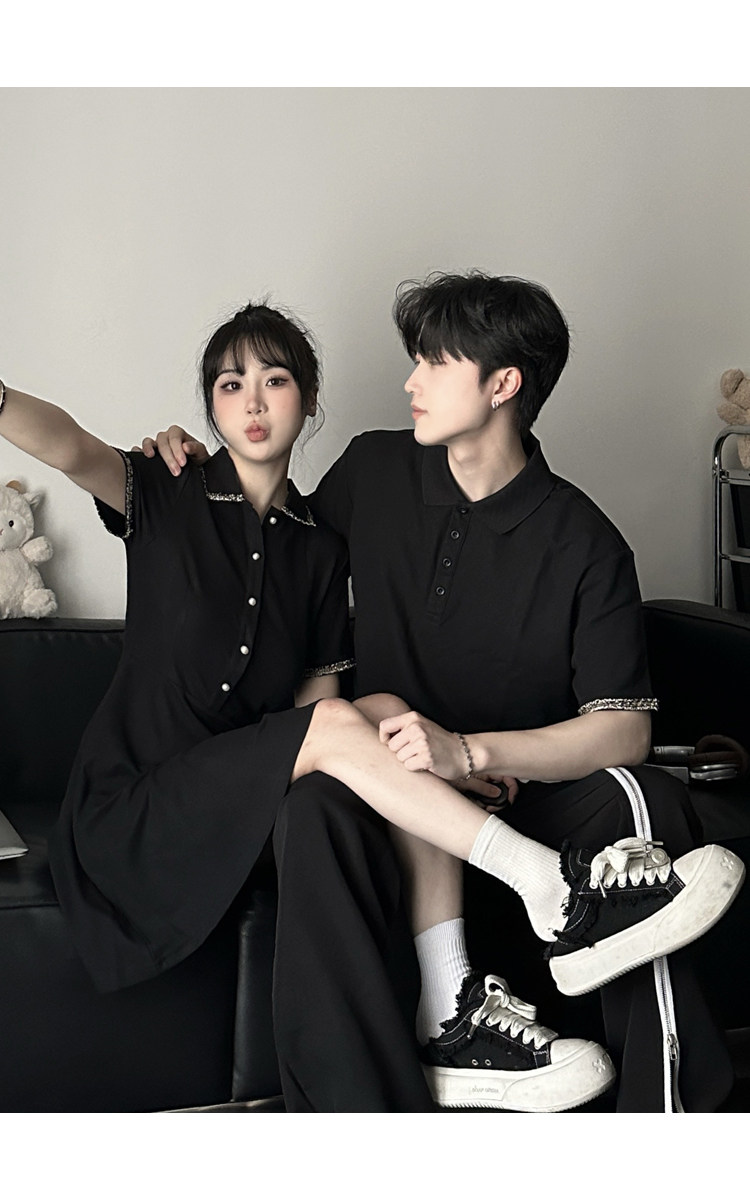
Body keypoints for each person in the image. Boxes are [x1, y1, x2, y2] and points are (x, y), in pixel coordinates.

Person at [142, 273, 746, 1113]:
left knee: (639, 798)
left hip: (520, 798)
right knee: (310, 808)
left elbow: (621, 733)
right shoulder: (374, 468)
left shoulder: (586, 542)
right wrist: (194, 471)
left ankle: (665, 1112)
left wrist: (469, 753)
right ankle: (365, 1116)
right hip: (392, 793)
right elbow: (278, 559)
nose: (410, 381)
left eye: (434, 362)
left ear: (503, 384)